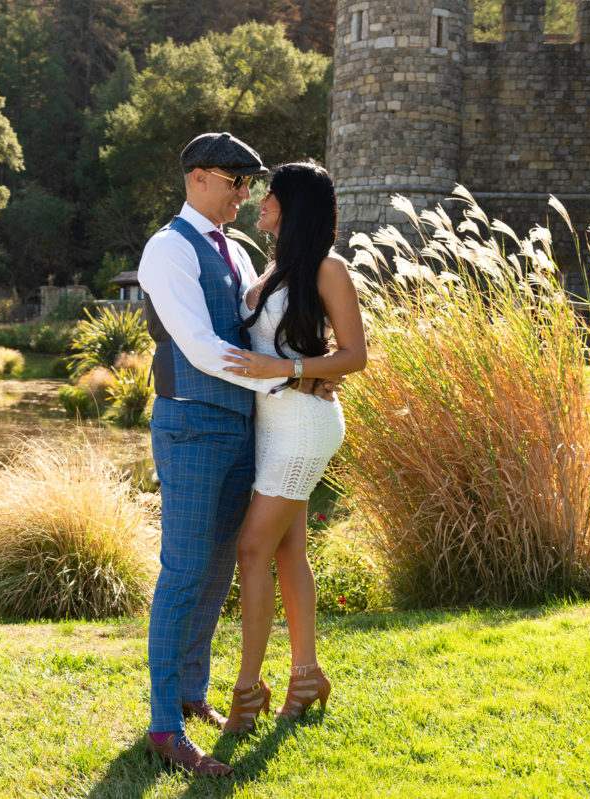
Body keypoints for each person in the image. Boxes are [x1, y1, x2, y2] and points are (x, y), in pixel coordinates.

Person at [137, 133, 333, 776]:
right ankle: (165, 727)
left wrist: (302, 367)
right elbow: (198, 346)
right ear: (197, 177)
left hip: (243, 428)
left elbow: (263, 329)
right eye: (234, 181)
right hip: (192, 426)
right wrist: (294, 377)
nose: (245, 193)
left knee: (219, 571)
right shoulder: (168, 248)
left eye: (251, 184)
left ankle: (193, 693)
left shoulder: (240, 254)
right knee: (183, 574)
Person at [218, 161, 367, 733]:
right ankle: (305, 675)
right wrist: (293, 371)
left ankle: (247, 691)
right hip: (275, 423)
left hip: (304, 426)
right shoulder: (274, 268)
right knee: (284, 552)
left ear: (293, 205)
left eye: (270, 195)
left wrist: (290, 369)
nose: (259, 201)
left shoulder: (328, 268)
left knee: (252, 551)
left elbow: (355, 356)